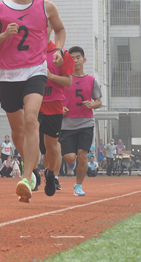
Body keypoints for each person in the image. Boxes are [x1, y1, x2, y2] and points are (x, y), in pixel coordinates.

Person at [0, 0, 66, 203]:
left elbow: (59, 29)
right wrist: (4, 36)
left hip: (35, 71)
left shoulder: (46, 6)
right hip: (8, 75)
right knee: (17, 131)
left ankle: (26, 178)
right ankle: (34, 169)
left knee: (31, 120)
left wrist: (59, 49)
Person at [36, 22, 74, 196]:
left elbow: (68, 81)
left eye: (46, 25)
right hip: (34, 104)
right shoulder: (29, 53)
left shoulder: (61, 54)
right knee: (32, 141)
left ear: (51, 29)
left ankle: (51, 174)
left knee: (51, 147)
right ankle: (31, 174)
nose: (42, 29)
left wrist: (51, 76)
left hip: (54, 106)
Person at [60, 46, 102, 196]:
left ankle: (78, 185)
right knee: (69, 158)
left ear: (84, 60)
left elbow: (99, 101)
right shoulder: (64, 79)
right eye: (72, 58)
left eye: (78, 57)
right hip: (67, 123)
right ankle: (70, 165)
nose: (75, 60)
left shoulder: (91, 80)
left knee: (82, 154)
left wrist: (92, 104)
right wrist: (60, 108)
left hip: (86, 122)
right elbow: (56, 98)